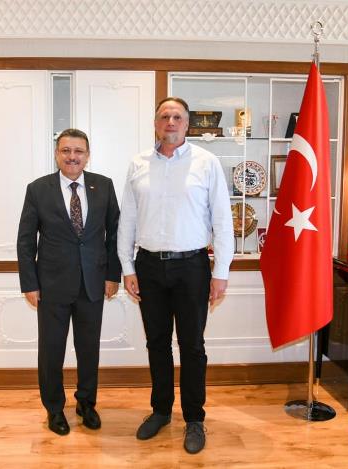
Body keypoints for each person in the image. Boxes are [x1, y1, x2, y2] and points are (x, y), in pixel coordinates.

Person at [117, 97, 234, 454]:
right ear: (156, 123)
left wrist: (221, 272)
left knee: (192, 346)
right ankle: (161, 411)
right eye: (164, 116)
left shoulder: (207, 163)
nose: (170, 121)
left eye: (177, 116)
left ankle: (194, 418)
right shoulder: (138, 164)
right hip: (149, 267)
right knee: (156, 343)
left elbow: (222, 220)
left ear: (187, 124)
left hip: (192, 267)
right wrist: (127, 267)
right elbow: (128, 219)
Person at [17, 128, 121, 436]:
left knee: (88, 349)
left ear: (88, 155)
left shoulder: (104, 186)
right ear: (56, 154)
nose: (72, 156)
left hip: (93, 283)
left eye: (78, 151)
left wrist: (112, 275)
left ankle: (86, 404)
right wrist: (30, 283)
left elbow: (115, 234)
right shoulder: (38, 189)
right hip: (51, 285)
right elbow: (26, 240)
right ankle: (54, 409)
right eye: (66, 150)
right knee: (51, 351)